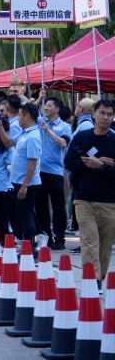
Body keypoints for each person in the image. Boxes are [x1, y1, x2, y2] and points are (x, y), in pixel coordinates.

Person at [66, 99, 115, 281]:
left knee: (105, 245)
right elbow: (70, 162)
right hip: (83, 199)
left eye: (109, 114)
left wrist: (101, 165)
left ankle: (99, 279)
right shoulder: (82, 137)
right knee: (89, 241)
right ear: (94, 113)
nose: (105, 117)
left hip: (109, 202)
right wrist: (91, 164)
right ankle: (91, 281)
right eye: (102, 113)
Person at [36, 97, 72, 250]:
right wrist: (39, 98)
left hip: (56, 171)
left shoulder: (64, 126)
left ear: (57, 109)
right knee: (41, 206)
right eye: (46, 105)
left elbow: (63, 143)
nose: (46, 108)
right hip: (40, 171)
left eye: (49, 105)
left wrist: (49, 131)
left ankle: (59, 237)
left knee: (58, 206)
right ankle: (46, 236)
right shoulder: (40, 122)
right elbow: (28, 108)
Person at [11, 102, 43, 257]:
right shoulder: (25, 133)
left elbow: (32, 163)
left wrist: (25, 185)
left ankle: (30, 249)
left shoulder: (32, 137)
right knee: (21, 213)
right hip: (19, 181)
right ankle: (29, 245)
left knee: (26, 215)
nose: (18, 118)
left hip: (28, 183)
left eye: (20, 115)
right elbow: (9, 142)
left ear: (27, 116)